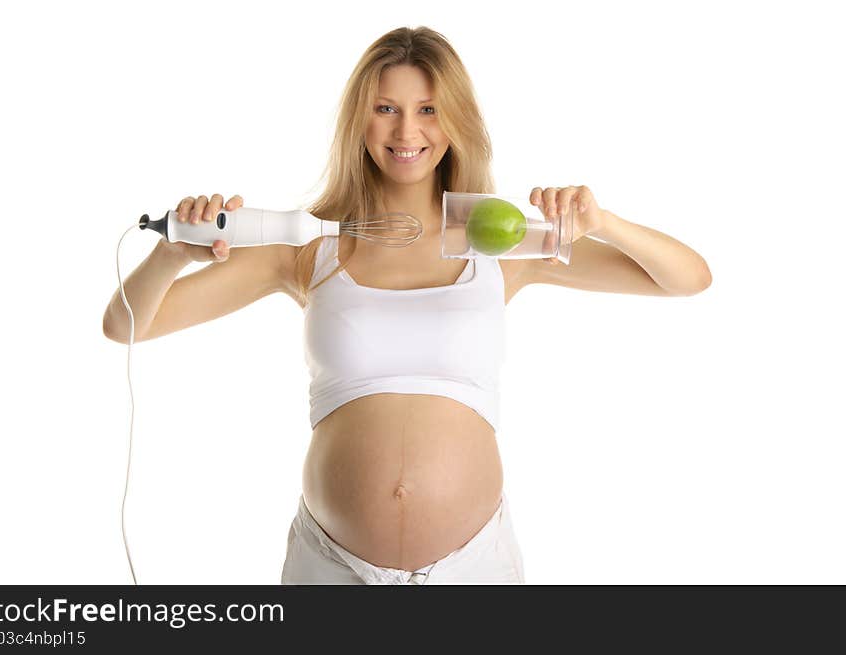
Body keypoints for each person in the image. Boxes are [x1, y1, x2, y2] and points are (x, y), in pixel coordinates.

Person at [102, 26, 712, 585]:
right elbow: (126, 323)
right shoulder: (310, 246)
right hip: (331, 568)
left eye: (427, 110)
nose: (406, 132)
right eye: (385, 109)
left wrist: (601, 222)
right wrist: (176, 252)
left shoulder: (501, 243)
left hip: (473, 567)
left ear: (455, 122)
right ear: (358, 121)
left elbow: (685, 279)